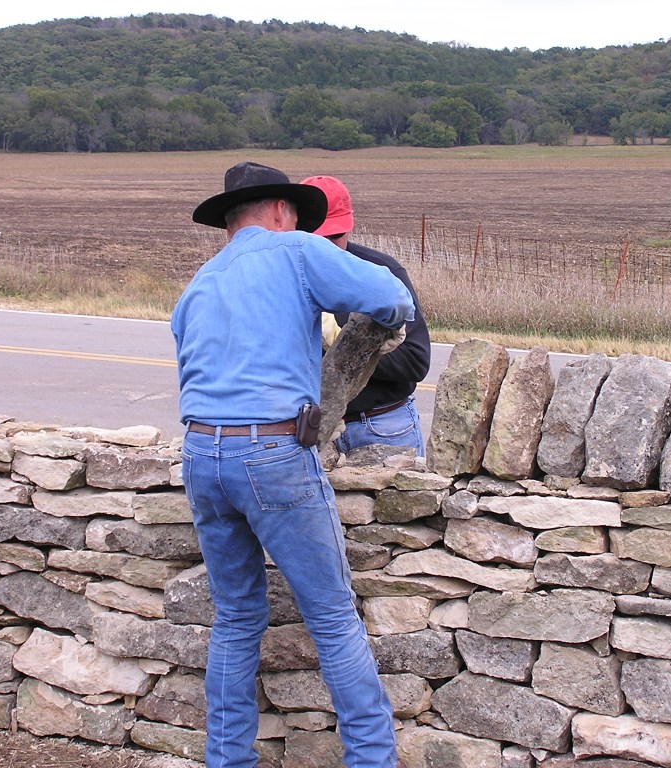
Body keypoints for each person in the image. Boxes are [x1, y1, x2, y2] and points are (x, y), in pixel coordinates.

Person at [172, 161, 413, 768]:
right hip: (272, 450)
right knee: (332, 617)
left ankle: (227, 760)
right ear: (279, 210)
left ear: (229, 220)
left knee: (234, 617)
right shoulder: (295, 252)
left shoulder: (199, 282)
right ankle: (371, 760)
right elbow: (391, 296)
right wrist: (368, 331)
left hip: (202, 453)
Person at [300, 175, 431, 457]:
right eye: (317, 239)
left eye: (335, 236)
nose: (329, 248)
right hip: (307, 429)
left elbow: (415, 361)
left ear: (350, 224)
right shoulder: (283, 280)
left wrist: (346, 347)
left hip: (381, 425)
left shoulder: (381, 276)